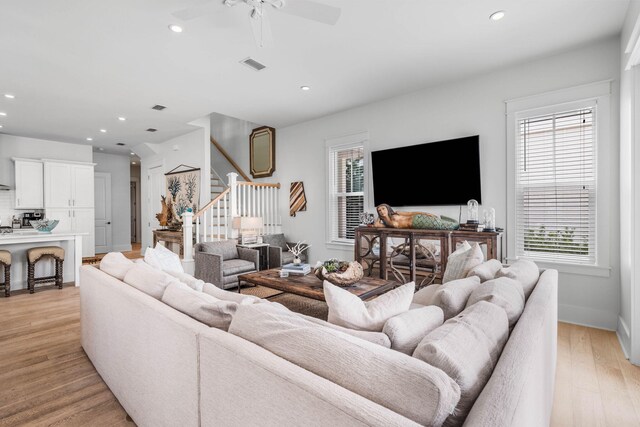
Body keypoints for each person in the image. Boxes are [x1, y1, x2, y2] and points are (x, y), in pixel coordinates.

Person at [374, 204, 459, 230]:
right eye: (379, 210)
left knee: (439, 224)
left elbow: (412, 213)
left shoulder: (397, 213)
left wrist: (427, 214)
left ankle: (455, 224)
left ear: (388, 209)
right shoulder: (387, 224)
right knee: (439, 226)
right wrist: (379, 217)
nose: (382, 211)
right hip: (415, 226)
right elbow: (376, 225)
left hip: (417, 219)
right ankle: (455, 225)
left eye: (383, 209)